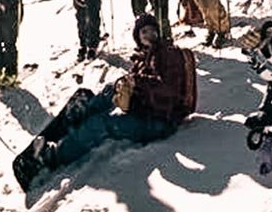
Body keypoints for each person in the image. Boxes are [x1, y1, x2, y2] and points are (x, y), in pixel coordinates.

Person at [12, 14, 193, 191]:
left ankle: (53, 157)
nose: (148, 35)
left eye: (151, 31)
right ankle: (83, 111)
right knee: (111, 89)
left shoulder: (167, 54)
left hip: (159, 122)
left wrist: (138, 82)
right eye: (143, 32)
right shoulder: (145, 56)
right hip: (146, 111)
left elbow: (169, 89)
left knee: (101, 125)